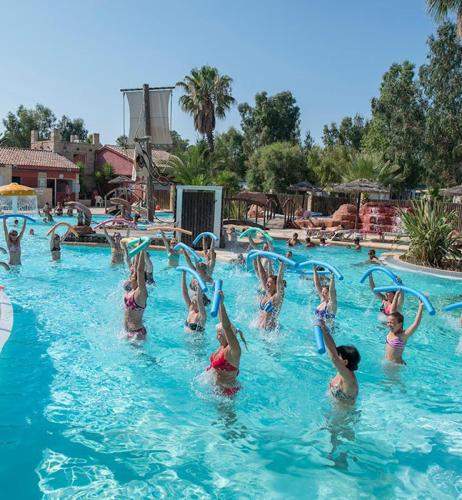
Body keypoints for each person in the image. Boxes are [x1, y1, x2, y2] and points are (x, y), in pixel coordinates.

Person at [208, 291, 247, 396]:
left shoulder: (234, 350)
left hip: (226, 393)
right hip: (216, 388)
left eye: (218, 335)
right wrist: (219, 302)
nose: (216, 337)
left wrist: (222, 304)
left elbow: (226, 327)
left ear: (225, 335)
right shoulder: (223, 345)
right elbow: (223, 322)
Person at [317, 320, 360, 402]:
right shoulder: (342, 371)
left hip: (342, 410)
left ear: (345, 362)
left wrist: (323, 330)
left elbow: (334, 358)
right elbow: (333, 350)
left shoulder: (349, 379)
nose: (335, 357)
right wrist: (324, 328)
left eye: (338, 357)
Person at [255, 257, 286, 330]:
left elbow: (279, 281)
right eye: (267, 282)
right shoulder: (267, 293)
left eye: (269, 282)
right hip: (258, 329)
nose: (267, 284)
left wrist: (281, 265)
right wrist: (258, 258)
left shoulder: (277, 297)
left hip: (269, 332)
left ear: (275, 285)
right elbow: (262, 275)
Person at [123, 251, 148, 339]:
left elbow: (140, 270)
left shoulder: (141, 292)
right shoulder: (131, 290)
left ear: (139, 280)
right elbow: (135, 267)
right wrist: (138, 250)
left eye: (133, 275)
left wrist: (142, 250)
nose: (131, 276)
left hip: (137, 334)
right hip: (127, 331)